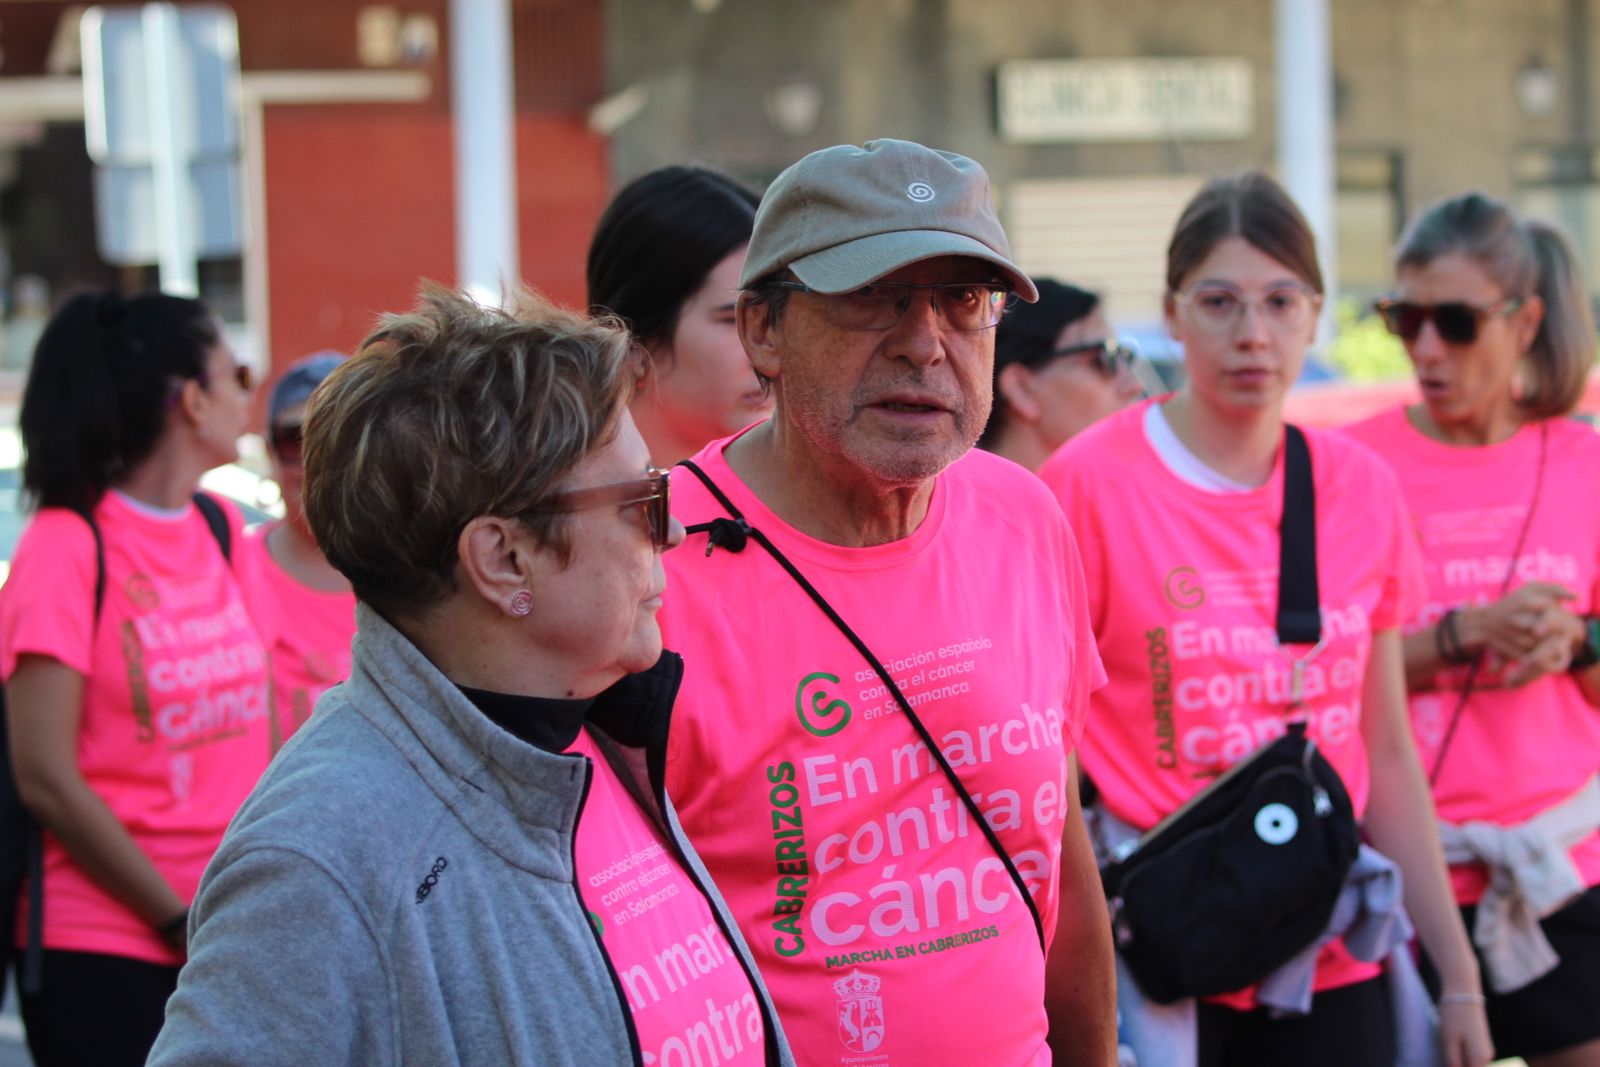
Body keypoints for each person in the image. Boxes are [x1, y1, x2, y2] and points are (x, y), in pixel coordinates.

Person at [147, 286, 794, 1067]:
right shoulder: (317, 857)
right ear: (501, 559)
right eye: (639, 500)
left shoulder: (591, 732)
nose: (679, 528)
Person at [658, 138, 1115, 1067]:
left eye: (964, 300)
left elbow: (1059, 868)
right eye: (872, 296)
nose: (924, 342)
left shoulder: (1023, 514)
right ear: (762, 331)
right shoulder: (647, 564)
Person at [1036, 173, 1494, 1067]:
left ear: (1317, 315)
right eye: (1219, 301)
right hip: (1167, 950)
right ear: (1170, 313)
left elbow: (1387, 749)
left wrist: (1460, 973)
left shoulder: (1361, 488)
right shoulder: (1089, 484)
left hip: (1333, 942)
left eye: (1281, 301)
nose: (1253, 333)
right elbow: (1048, 754)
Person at [1344, 191, 1600, 1067]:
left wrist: (1576, 641)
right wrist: (1468, 633)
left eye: (1453, 321)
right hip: (1404, 877)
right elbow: (1325, 673)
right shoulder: (1353, 466)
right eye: (1402, 317)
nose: (1423, 348)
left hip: (1562, 869)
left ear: (1525, 322)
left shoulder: (1585, 462)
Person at [0, 291, 270, 1067]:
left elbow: (261, 731)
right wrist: (173, 917)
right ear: (191, 399)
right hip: (110, 946)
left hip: (227, 930)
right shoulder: (64, 546)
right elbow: (44, 775)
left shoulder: (219, 526)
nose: (245, 391)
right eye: (236, 372)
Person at [587, 164, 773, 465]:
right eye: (733, 319)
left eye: (777, 316)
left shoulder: (818, 501)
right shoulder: (564, 503)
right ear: (632, 342)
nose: (771, 347)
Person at [237, 351, 356, 752]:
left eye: (338, 438)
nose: (315, 461)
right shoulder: (228, 568)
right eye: (297, 438)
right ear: (270, 453)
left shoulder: (415, 573)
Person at [978, 277, 1143, 470]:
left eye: (1125, 355)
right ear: (1021, 388)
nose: (1134, 384)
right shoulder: (959, 497)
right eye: (1103, 358)